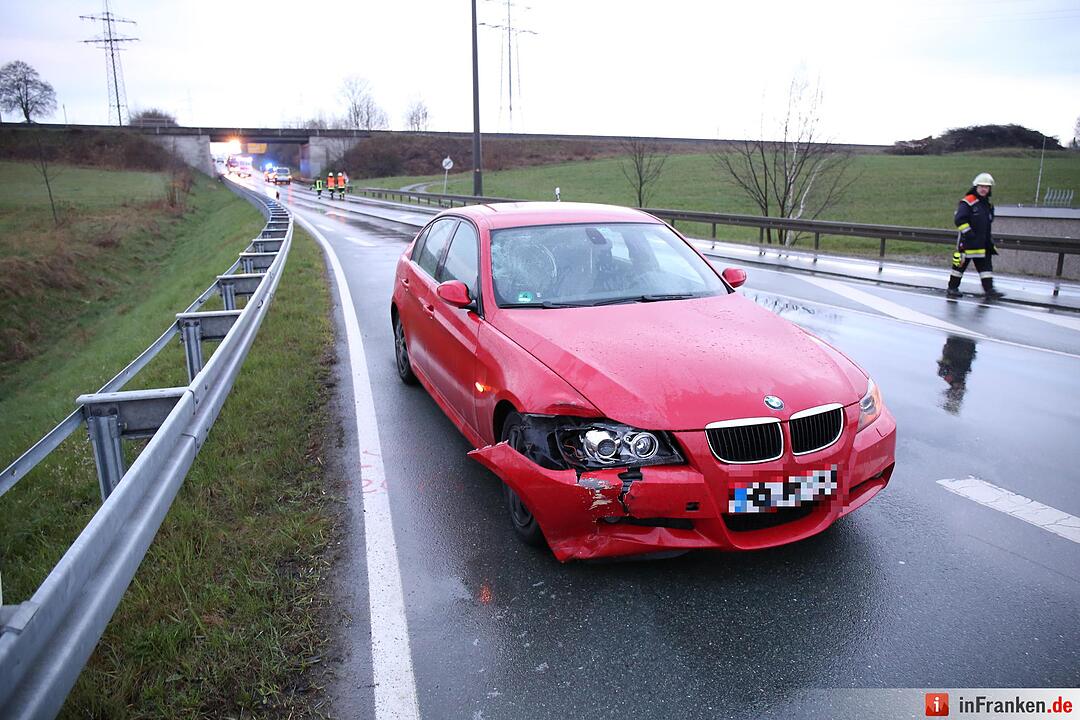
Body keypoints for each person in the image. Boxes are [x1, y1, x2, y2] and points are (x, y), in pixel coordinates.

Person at [946, 173, 1003, 299]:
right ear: (976, 187)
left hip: (983, 244)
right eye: (981, 186)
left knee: (986, 269)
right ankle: (952, 288)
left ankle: (989, 290)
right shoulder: (968, 201)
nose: (984, 189)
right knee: (959, 267)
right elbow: (959, 220)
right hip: (967, 243)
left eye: (986, 187)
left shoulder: (987, 205)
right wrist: (969, 234)